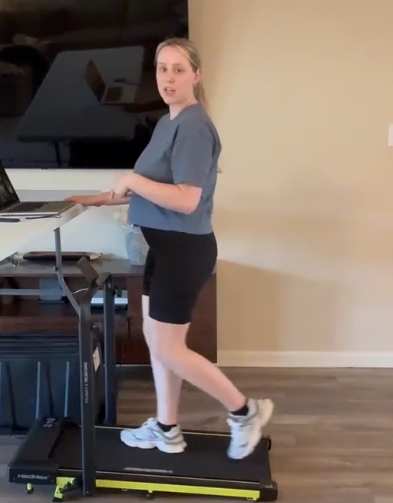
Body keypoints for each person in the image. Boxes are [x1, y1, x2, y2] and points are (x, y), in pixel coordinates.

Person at [66, 37, 274, 460]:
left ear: (196, 75)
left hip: (184, 250)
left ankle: (244, 411)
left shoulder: (194, 126)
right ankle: (166, 429)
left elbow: (186, 199)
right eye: (162, 68)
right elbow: (154, 188)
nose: (168, 77)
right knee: (157, 341)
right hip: (162, 247)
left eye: (178, 69)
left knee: (168, 348)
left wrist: (131, 179)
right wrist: (95, 200)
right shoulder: (168, 122)